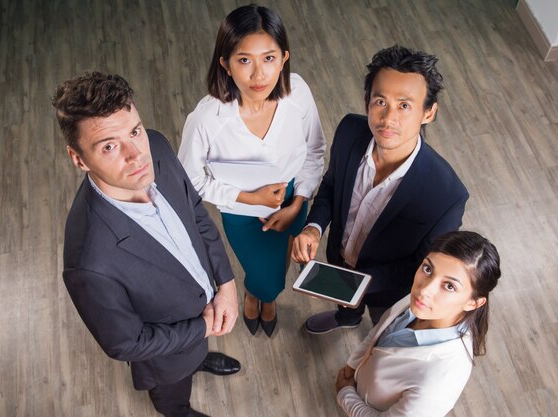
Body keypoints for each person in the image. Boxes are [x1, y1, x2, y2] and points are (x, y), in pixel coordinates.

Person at [53, 71, 241, 417]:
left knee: (193, 355)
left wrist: (226, 284)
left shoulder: (156, 146)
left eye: (134, 131)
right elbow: (126, 343)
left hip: (203, 313)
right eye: (109, 145)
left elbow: (195, 212)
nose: (136, 154)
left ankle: (197, 356)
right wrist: (203, 326)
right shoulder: (89, 262)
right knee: (172, 395)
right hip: (165, 358)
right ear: (78, 159)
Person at [292, 45, 469, 333]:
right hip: (340, 256)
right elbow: (331, 185)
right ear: (367, 102)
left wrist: (352, 285)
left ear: (429, 112)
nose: (388, 119)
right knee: (347, 307)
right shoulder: (349, 131)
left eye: (404, 105)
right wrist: (314, 226)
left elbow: (426, 266)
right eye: (380, 102)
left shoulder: (447, 195)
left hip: (388, 289)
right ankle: (347, 317)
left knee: (383, 329)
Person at [179, 4, 326, 337]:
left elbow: (315, 149)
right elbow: (190, 181)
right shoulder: (206, 119)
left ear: (284, 58)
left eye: (269, 59)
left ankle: (263, 293)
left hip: (292, 199)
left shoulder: (298, 93)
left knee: (280, 264)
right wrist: (247, 196)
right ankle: (258, 292)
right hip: (240, 212)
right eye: (244, 60)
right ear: (225, 65)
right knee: (265, 273)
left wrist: (298, 201)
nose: (259, 75)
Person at [335, 230, 501, 416]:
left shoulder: (442, 380)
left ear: (474, 303)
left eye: (449, 286)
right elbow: (377, 333)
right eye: (428, 269)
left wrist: (345, 394)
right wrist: (352, 365)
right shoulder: (420, 304)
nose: (424, 290)